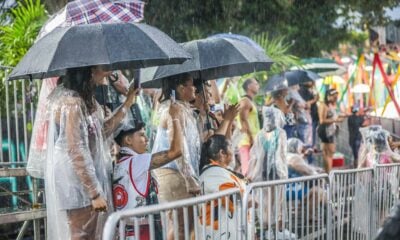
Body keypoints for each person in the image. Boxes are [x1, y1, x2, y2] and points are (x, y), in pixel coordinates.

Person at [27, 66, 139, 240]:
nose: (109, 73)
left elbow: (101, 132)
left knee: (94, 233)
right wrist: (94, 192)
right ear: (89, 71)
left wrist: (128, 102)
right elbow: (75, 147)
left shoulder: (86, 101)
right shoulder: (71, 102)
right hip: (76, 180)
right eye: (104, 68)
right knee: (82, 235)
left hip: (87, 176)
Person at [112, 103, 183, 240]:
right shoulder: (136, 162)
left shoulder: (122, 163)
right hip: (142, 234)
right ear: (128, 140)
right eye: (142, 135)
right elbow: (176, 151)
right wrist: (175, 118)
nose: (146, 140)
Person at [151, 73, 201, 240]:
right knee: (183, 226)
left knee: (184, 225)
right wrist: (189, 177)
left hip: (176, 173)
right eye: (191, 84)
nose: (195, 88)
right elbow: (178, 147)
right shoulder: (174, 109)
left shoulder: (181, 108)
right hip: (174, 173)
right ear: (180, 88)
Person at [247, 106, 296, 239]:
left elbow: (255, 157)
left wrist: (252, 174)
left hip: (262, 172)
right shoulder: (280, 133)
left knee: (266, 204)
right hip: (277, 172)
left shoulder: (260, 134)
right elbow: (282, 155)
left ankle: (268, 232)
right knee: (278, 202)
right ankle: (279, 231)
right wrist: (284, 172)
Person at [198, 134, 248, 239]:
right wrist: (250, 199)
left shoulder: (217, 171)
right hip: (221, 232)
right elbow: (232, 200)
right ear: (222, 153)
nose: (233, 150)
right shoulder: (214, 173)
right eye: (230, 146)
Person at [237, 78, 261, 176]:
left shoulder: (249, 101)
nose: (258, 86)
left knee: (253, 170)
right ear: (249, 86)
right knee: (247, 171)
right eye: (255, 84)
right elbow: (243, 120)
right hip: (247, 142)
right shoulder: (245, 101)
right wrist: (251, 138)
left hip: (252, 140)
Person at [318, 89, 345, 173]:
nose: (335, 99)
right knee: (328, 154)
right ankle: (328, 174)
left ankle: (328, 173)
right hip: (326, 131)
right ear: (329, 96)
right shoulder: (323, 105)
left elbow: (333, 116)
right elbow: (322, 120)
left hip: (330, 131)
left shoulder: (330, 105)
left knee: (329, 153)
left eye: (336, 97)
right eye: (334, 97)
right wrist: (336, 120)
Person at [298, 82, 319, 147]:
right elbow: (306, 104)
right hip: (308, 117)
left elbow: (317, 97)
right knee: (309, 137)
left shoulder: (310, 89)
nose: (311, 81)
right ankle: (310, 149)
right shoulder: (302, 89)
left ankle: (311, 147)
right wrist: (314, 100)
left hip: (313, 116)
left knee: (312, 135)